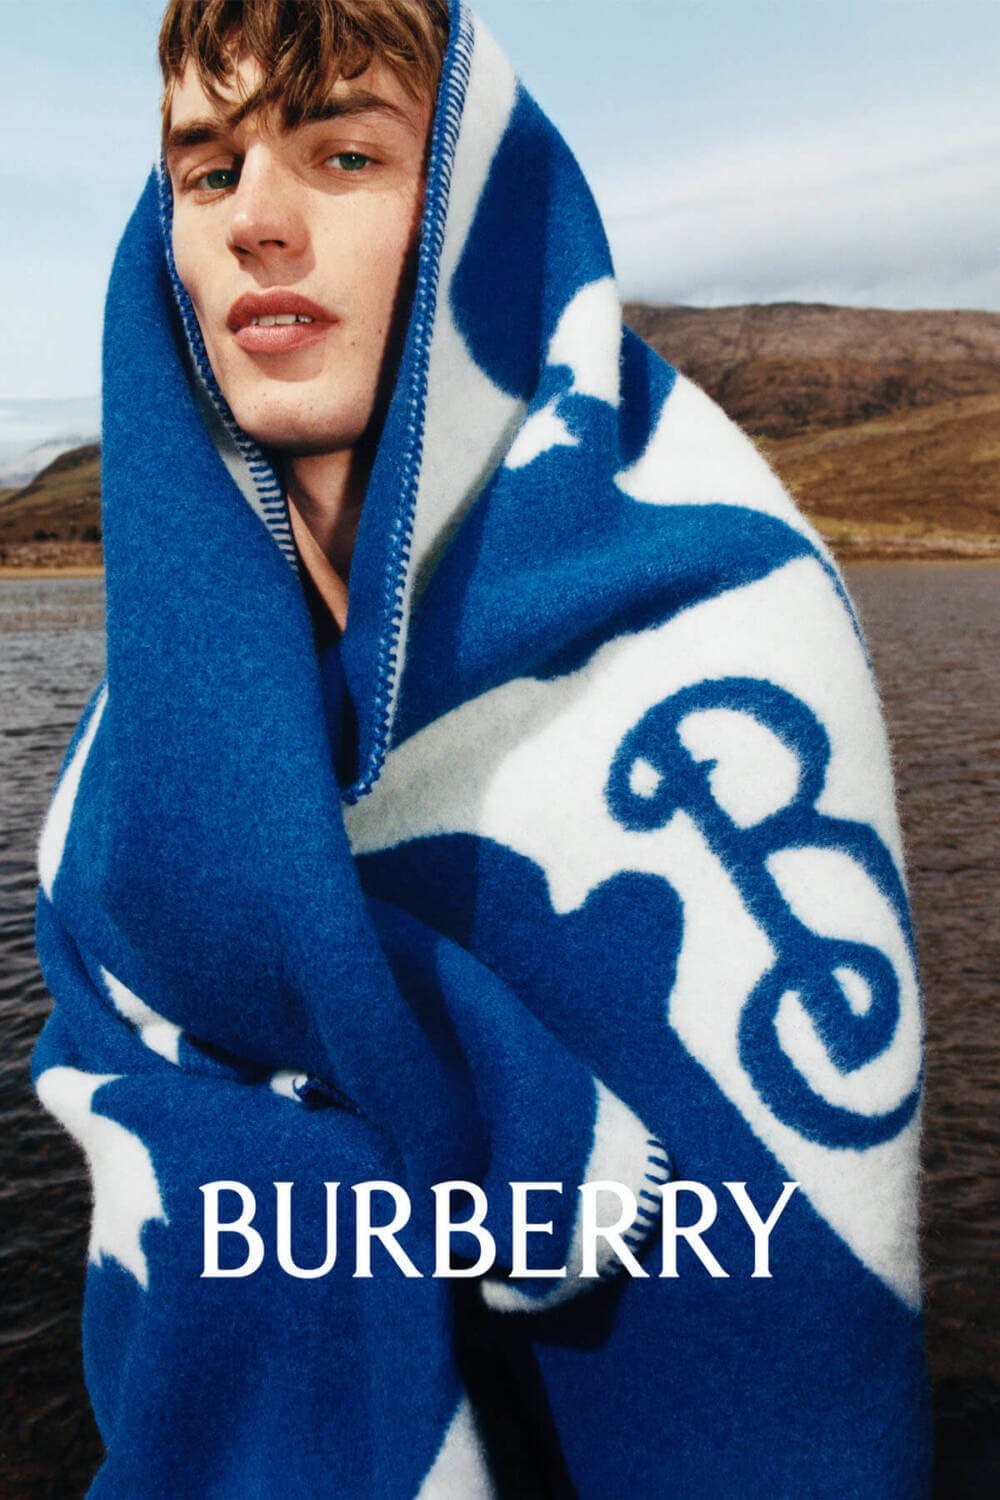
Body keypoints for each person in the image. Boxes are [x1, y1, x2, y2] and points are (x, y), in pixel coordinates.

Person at [30, 1, 932, 1495]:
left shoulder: (716, 627)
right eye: (207, 170)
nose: (256, 219)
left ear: (468, 204)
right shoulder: (139, 755)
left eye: (343, 154)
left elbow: (788, 1276)